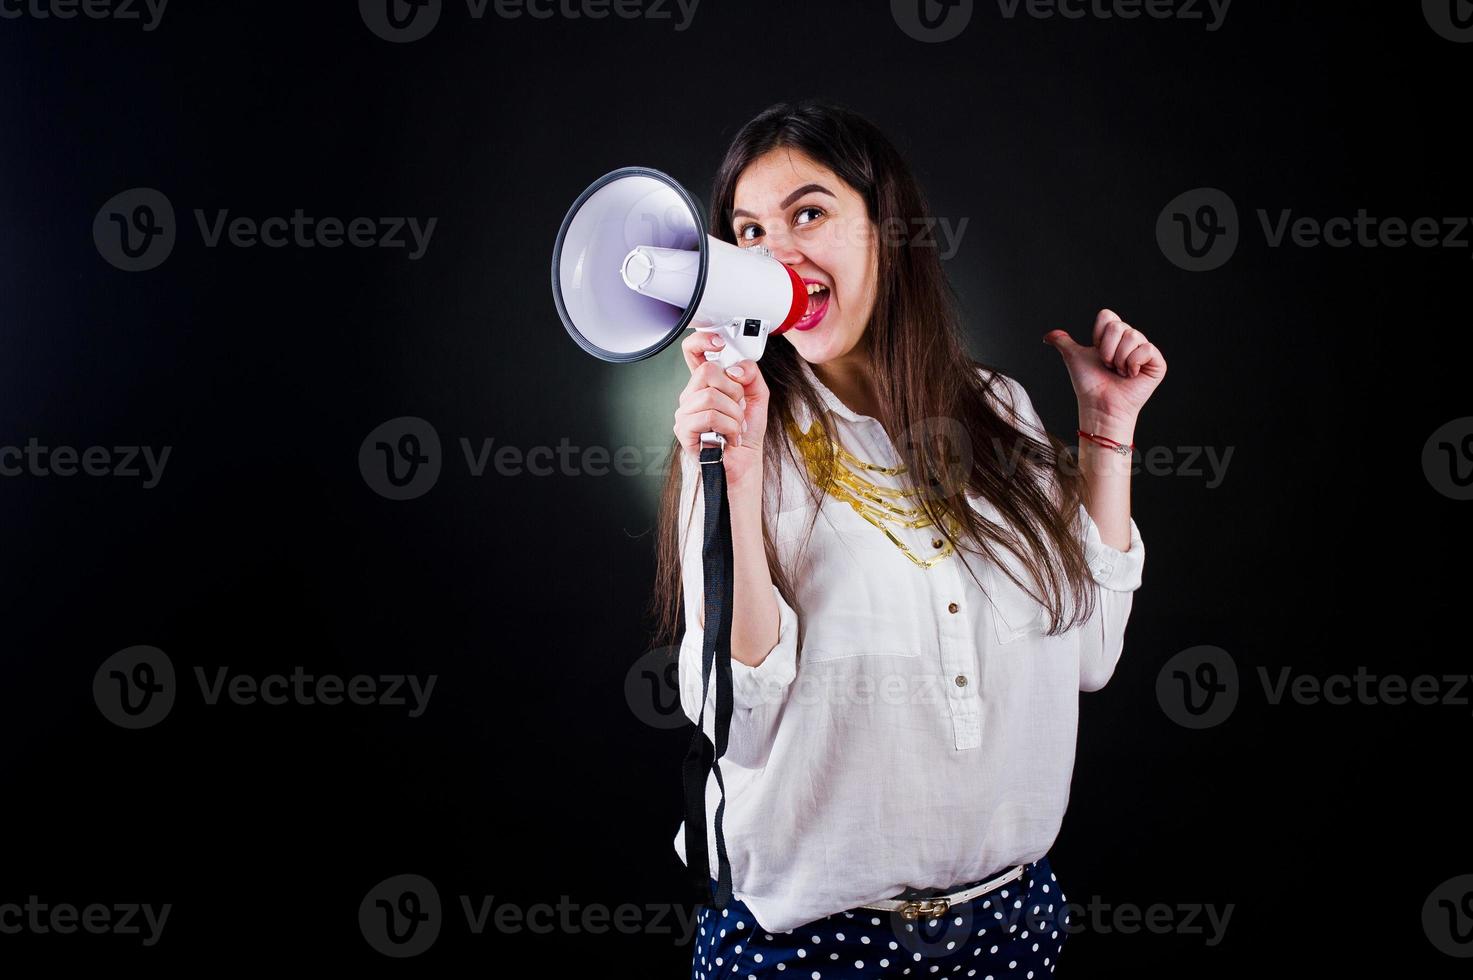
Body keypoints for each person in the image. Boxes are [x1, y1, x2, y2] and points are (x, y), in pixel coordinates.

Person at [650, 99, 1166, 978]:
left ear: (889, 231)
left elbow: (1092, 655)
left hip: (1015, 928)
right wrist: (733, 483)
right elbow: (737, 722)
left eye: (807, 213)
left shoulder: (998, 410)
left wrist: (1105, 433)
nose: (776, 254)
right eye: (747, 230)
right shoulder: (739, 439)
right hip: (815, 951)